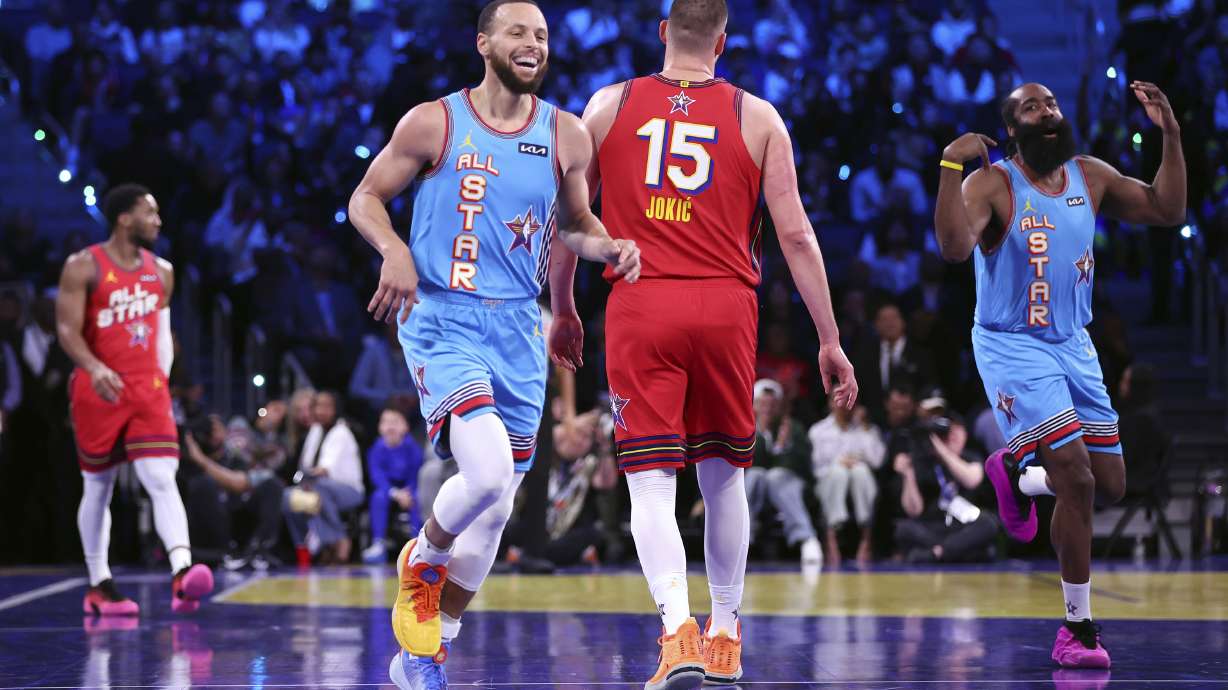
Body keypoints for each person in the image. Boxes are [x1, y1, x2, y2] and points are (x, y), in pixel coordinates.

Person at [346, 1, 641, 687]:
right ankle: (422, 557)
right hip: (443, 317)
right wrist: (394, 250)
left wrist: (607, 247)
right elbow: (365, 198)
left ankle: (424, 655)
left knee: (499, 506)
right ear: (484, 43)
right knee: (483, 473)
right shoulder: (434, 121)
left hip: (518, 326)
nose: (532, 43)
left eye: (541, 34)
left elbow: (575, 222)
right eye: (517, 32)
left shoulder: (566, 133)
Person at [574, 1, 858, 685]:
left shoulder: (607, 106)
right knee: (724, 476)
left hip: (642, 299)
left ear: (664, 32)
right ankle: (725, 634)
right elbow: (796, 236)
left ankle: (678, 633)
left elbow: (570, 218)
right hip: (727, 306)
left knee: (650, 482)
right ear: (723, 43)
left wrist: (561, 307)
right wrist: (829, 338)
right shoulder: (758, 117)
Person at [934, 81, 1185, 668]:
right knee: (1076, 476)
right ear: (1012, 128)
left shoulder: (1088, 175)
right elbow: (952, 248)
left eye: (1050, 103)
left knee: (1110, 484)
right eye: (1031, 107)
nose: (1046, 111)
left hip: (1073, 342)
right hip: (1012, 344)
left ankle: (1015, 475)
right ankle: (1077, 629)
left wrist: (1171, 134)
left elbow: (1168, 209)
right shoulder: (991, 183)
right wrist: (949, 165)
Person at [56, 183, 213, 616]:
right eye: (150, 212)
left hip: (147, 389)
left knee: (161, 476)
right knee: (99, 485)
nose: (158, 221)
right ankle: (99, 583)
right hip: (98, 387)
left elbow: (162, 336)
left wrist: (161, 381)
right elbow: (67, 330)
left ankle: (182, 572)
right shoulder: (83, 265)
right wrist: (94, 367)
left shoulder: (162, 271)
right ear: (125, 218)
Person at [282, 391, 364, 564]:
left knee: (319, 487)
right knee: (288, 497)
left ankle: (339, 541)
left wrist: (307, 477)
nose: (321, 411)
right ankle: (303, 550)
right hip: (317, 487)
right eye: (318, 406)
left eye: (326, 407)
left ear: (335, 410)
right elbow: (305, 465)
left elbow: (324, 470)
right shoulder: (315, 431)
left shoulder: (341, 432)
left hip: (348, 491)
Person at [746, 379, 821, 567]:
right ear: (753, 406)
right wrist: (762, 436)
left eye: (772, 404)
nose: (768, 409)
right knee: (755, 475)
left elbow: (799, 465)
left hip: (790, 485)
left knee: (776, 476)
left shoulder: (793, 428)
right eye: (762, 404)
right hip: (756, 486)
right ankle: (741, 539)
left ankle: (806, 538)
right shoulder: (745, 429)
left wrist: (782, 447)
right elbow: (747, 464)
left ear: (780, 407)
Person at [808, 403, 884, 566]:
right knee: (839, 473)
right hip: (828, 483)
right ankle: (831, 537)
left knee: (861, 471)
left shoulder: (867, 430)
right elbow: (816, 469)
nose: (844, 405)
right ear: (831, 403)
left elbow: (877, 461)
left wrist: (864, 429)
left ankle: (866, 538)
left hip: (860, 481)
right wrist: (839, 463)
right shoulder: (819, 430)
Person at [362, 407, 425, 564]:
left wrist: (407, 493)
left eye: (395, 422)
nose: (390, 427)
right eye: (386, 422)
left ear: (405, 426)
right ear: (379, 427)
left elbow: (416, 473)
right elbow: (377, 477)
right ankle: (378, 543)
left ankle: (418, 544)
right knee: (378, 497)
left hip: (409, 489)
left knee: (418, 497)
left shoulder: (413, 448)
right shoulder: (376, 449)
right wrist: (395, 493)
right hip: (388, 490)